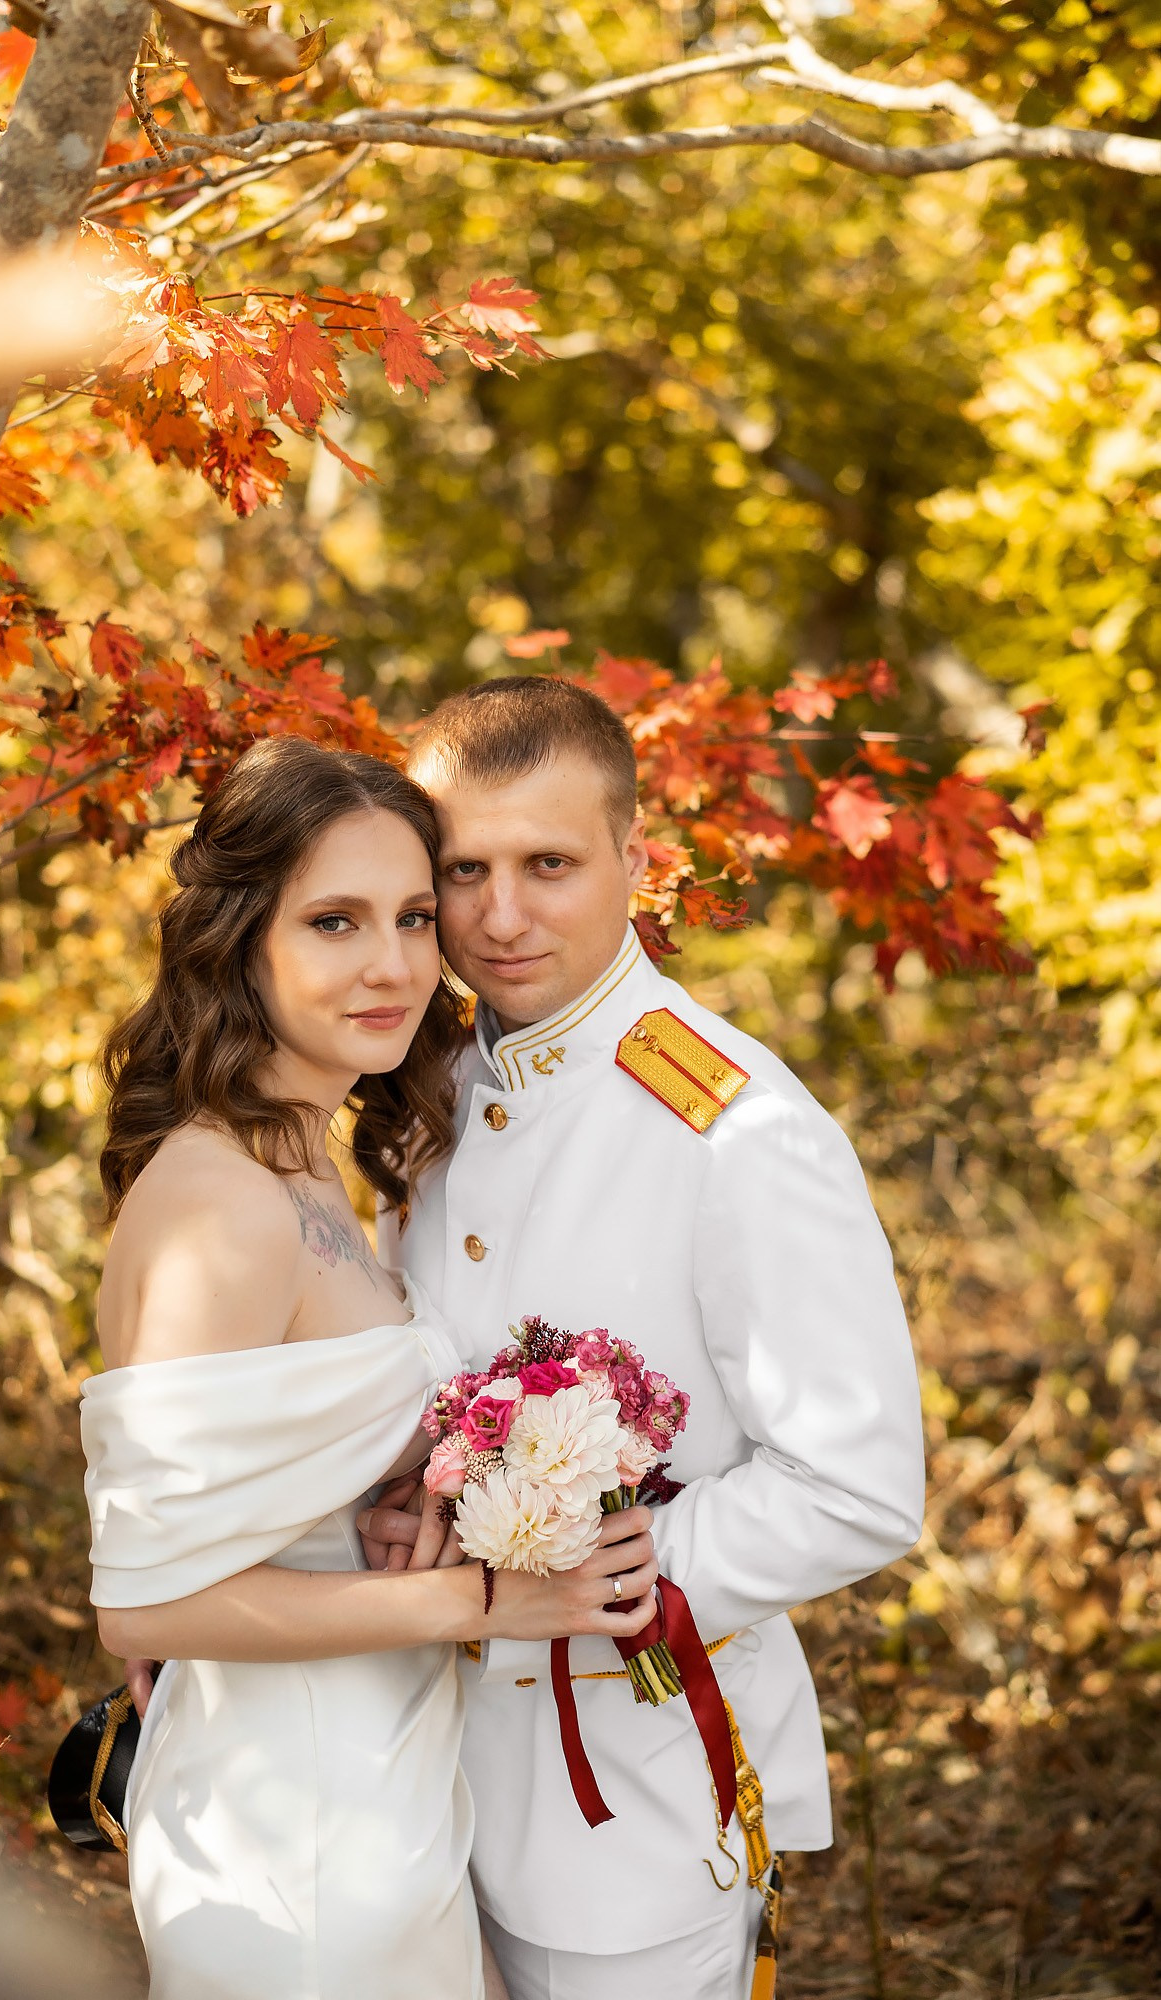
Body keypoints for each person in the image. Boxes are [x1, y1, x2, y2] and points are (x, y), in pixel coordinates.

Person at [356, 676, 927, 2000]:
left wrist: (606, 1567)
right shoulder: (425, 1091)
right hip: (423, 1778)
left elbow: (857, 1488)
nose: (500, 916)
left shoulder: (737, 1130)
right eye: (465, 869)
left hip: (633, 1794)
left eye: (548, 864)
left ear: (635, 858)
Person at [84, 735, 662, 2000]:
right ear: (240, 939)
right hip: (288, 1832)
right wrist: (482, 1602)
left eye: (412, 914)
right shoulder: (218, 1206)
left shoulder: (308, 1165)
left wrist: (403, 1493)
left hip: (380, 1783)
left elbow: (272, 1480)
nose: (395, 963)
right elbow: (146, 1608)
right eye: (335, 920)